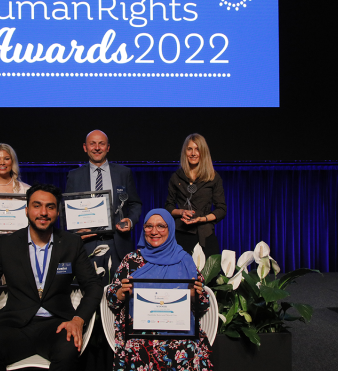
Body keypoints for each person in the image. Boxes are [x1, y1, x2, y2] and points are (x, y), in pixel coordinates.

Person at [0, 183, 103, 371]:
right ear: (26, 209)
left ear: (57, 212)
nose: (43, 212)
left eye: (50, 207)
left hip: (57, 325)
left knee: (69, 353)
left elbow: (93, 285)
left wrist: (78, 320)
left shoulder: (71, 244)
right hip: (14, 325)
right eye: (37, 205)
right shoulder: (7, 244)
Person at [106, 209, 213, 371]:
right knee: (138, 349)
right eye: (149, 226)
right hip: (139, 330)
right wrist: (120, 293)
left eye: (161, 226)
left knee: (185, 349)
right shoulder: (131, 260)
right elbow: (112, 298)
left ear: (170, 229)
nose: (154, 231)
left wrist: (194, 295)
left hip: (178, 328)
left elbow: (204, 306)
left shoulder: (185, 260)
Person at [65, 129, 142, 281]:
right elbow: (68, 210)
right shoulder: (74, 176)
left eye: (101, 144)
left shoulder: (123, 173)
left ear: (108, 147)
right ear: (85, 147)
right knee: (89, 293)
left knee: (120, 292)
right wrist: (76, 232)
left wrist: (130, 221)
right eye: (92, 144)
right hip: (86, 243)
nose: (97, 148)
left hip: (117, 243)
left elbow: (135, 203)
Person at [165, 133, 227, 258]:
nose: (193, 153)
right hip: (180, 235)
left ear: (203, 152)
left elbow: (221, 210)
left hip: (205, 234)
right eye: (190, 149)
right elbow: (168, 206)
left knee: (209, 276)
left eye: (197, 149)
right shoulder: (176, 177)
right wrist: (181, 211)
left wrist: (202, 219)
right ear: (185, 152)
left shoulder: (213, 178)